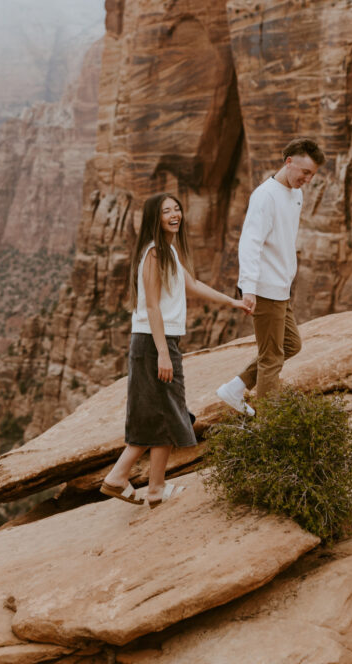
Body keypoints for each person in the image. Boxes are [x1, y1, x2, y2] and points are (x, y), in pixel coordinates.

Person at [101, 192, 249, 508]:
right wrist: (164, 354)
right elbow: (152, 306)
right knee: (167, 411)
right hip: (153, 344)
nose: (175, 214)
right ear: (156, 218)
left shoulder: (166, 250)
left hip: (157, 342)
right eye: (167, 211)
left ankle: (154, 489)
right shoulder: (154, 253)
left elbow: (192, 285)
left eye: (177, 209)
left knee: (164, 413)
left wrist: (231, 301)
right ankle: (118, 477)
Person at [216, 137, 326, 415]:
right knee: (271, 358)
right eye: (305, 172)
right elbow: (250, 243)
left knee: (291, 345)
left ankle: (237, 386)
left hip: (281, 287)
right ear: (289, 162)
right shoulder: (265, 196)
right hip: (264, 289)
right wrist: (248, 288)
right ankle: (268, 425)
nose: (308, 179)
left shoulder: (296, 194)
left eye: (312, 175)